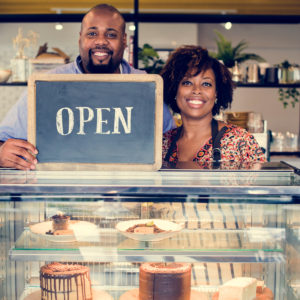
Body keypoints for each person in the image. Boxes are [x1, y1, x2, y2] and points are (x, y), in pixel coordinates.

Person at [0, 3, 175, 170]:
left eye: (111, 34)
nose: (101, 41)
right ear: (80, 39)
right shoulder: (47, 84)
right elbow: (3, 140)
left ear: (124, 41)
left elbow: (173, 144)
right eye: (92, 34)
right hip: (62, 195)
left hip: (128, 195)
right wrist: (2, 153)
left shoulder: (147, 88)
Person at [160, 45, 266, 168]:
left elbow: (261, 185)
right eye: (187, 82)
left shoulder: (240, 141)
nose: (197, 90)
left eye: (206, 84)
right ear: (174, 90)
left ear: (216, 93)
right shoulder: (163, 143)